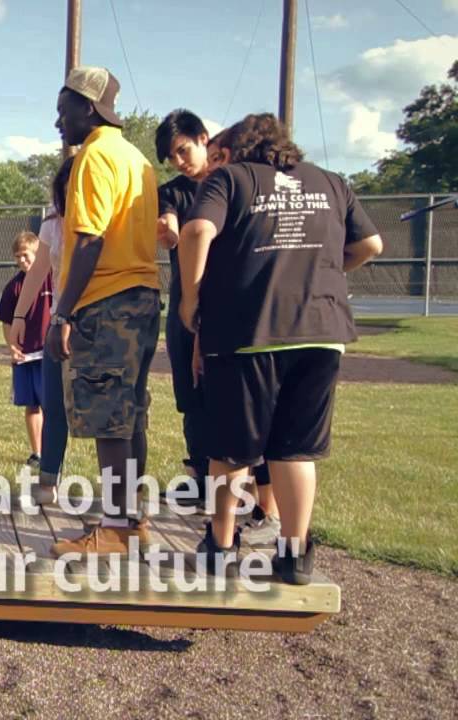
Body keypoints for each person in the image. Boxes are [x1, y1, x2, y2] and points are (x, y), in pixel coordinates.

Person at [178, 113, 383, 583]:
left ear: (239, 149)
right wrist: (323, 270)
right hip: (322, 331)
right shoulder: (332, 183)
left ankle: (221, 546)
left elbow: (195, 233)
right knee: (295, 450)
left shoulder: (230, 179)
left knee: (231, 449)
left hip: (248, 332)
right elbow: (370, 243)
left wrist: (192, 300)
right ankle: (294, 554)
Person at [45, 67, 161, 556]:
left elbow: (90, 240)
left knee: (108, 415)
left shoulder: (94, 157)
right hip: (143, 294)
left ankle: (113, 530)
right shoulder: (137, 158)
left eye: (62, 109)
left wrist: (62, 314)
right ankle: (130, 519)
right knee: (131, 414)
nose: (57, 122)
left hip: (106, 299)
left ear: (87, 106)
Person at [156, 113, 280, 543]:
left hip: (234, 309)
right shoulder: (171, 192)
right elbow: (172, 227)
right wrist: (167, 230)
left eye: (184, 150)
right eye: (171, 157)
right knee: (192, 397)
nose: (180, 161)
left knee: (247, 405)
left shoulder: (234, 183)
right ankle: (205, 483)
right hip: (189, 307)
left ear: (205, 140)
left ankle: (265, 504)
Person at [12, 157, 74, 503]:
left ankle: (124, 500)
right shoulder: (54, 214)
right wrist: (21, 315)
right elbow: (40, 267)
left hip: (100, 317)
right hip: (62, 318)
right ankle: (48, 481)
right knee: (53, 403)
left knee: (111, 417)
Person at [0, 231, 53, 469]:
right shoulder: (13, 287)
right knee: (32, 404)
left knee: (51, 405)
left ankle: (53, 451)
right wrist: (12, 346)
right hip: (25, 355)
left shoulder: (52, 278)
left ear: (38, 253)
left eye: (26, 255)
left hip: (49, 353)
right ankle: (37, 452)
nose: (22, 261)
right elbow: (7, 322)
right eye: (17, 257)